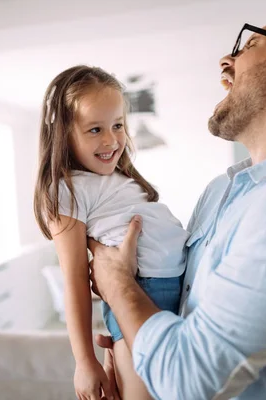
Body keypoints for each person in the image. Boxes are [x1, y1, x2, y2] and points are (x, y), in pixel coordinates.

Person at [88, 5, 266, 399]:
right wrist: (131, 351)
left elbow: (188, 381)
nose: (227, 62)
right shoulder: (222, 190)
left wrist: (116, 283)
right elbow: (182, 316)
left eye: (251, 43)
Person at [33, 65, 190, 400]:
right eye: (94, 129)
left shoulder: (116, 180)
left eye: (117, 125)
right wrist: (84, 362)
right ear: (63, 133)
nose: (111, 140)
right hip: (142, 292)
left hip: (175, 293)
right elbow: (74, 279)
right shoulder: (66, 189)